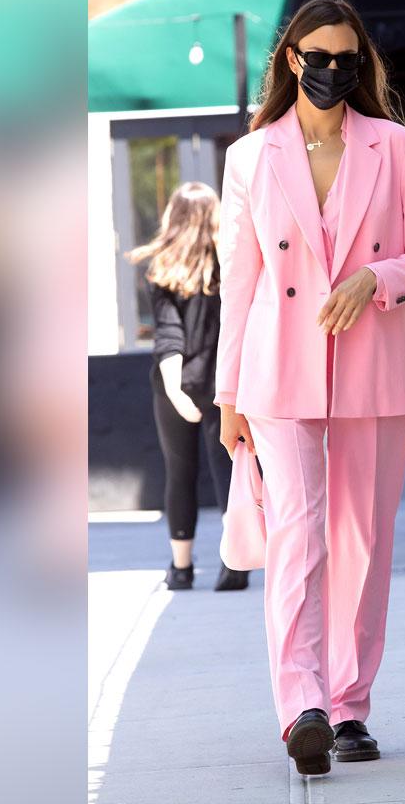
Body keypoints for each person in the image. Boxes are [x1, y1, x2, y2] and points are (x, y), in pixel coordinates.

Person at [213, 0, 405, 775]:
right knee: (296, 536)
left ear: (361, 62)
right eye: (318, 58)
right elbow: (239, 284)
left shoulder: (397, 146)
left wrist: (375, 278)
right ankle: (301, 705)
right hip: (277, 372)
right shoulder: (251, 157)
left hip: (373, 369)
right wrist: (226, 398)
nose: (331, 72)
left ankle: (349, 706)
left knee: (361, 543)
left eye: (346, 59)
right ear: (292, 61)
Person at [127, 182, 249, 592]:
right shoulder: (233, 263)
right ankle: (235, 564)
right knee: (229, 472)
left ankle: (181, 569)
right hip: (226, 384)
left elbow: (169, 334)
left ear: (173, 218)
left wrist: (177, 390)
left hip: (175, 384)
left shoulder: (162, 267)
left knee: (179, 473)